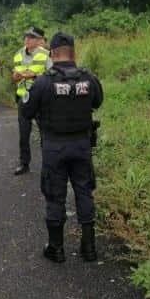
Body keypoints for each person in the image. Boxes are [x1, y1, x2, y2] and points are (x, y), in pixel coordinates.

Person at [21, 32, 103, 263]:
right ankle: (89, 248)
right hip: (81, 145)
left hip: (54, 147)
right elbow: (97, 102)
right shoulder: (89, 78)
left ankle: (56, 249)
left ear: (52, 53)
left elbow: (26, 111)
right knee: (84, 192)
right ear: (73, 53)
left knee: (55, 196)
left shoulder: (44, 81)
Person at [11, 26, 51, 175]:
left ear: (39, 40)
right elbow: (15, 75)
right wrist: (15, 77)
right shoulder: (18, 54)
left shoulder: (47, 55)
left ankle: (48, 163)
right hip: (24, 99)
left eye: (31, 37)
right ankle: (24, 163)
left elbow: (52, 77)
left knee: (45, 133)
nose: (27, 39)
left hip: (41, 100)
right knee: (23, 134)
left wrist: (33, 76)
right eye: (26, 36)